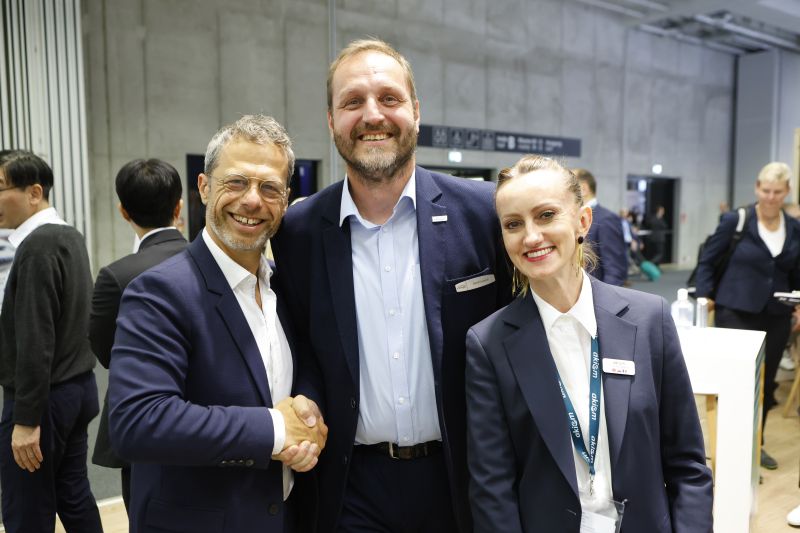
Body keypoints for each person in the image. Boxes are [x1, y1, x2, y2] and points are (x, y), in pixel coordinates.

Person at [271, 39, 511, 532]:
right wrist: (306, 401)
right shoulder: (298, 232)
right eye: (352, 102)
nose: (372, 115)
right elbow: (303, 347)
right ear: (331, 120)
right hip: (351, 488)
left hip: (462, 479)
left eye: (389, 98)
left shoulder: (484, 212)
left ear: (416, 111)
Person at [465, 155, 713, 532]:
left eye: (546, 215)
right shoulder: (489, 344)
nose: (530, 236)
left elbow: (688, 465)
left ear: (582, 221)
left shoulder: (649, 320)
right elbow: (492, 489)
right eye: (513, 224)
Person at [108, 115, 328, 533]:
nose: (252, 201)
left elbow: (302, 368)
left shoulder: (282, 286)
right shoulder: (160, 291)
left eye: (269, 188)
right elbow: (138, 420)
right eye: (236, 182)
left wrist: (307, 411)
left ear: (285, 201)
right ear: (204, 187)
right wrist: (275, 429)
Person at [0, 150, 103, 533]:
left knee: (26, 508)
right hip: (76, 388)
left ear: (34, 192)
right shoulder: (68, 234)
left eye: (0, 188)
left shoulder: (37, 246)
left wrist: (26, 420)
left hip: (43, 400)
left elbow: (35, 338)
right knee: (72, 496)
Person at [89, 158, 188, 511]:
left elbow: (105, 350)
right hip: (204, 413)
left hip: (140, 418)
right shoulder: (208, 260)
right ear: (179, 207)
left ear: (123, 211)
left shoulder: (117, 276)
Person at [695, 161, 800, 471]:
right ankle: (728, 449)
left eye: (777, 192)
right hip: (735, 313)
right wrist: (704, 296)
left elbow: (796, 272)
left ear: (787, 191)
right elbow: (707, 261)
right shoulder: (736, 220)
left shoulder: (794, 228)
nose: (770, 197)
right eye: (766, 190)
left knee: (766, 384)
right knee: (734, 382)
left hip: (777, 316)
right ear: (757, 188)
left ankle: (757, 445)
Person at [574, 168, 627, 286]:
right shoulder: (571, 218)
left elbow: (614, 270)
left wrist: (605, 298)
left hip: (594, 292)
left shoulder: (606, 219)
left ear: (583, 188)